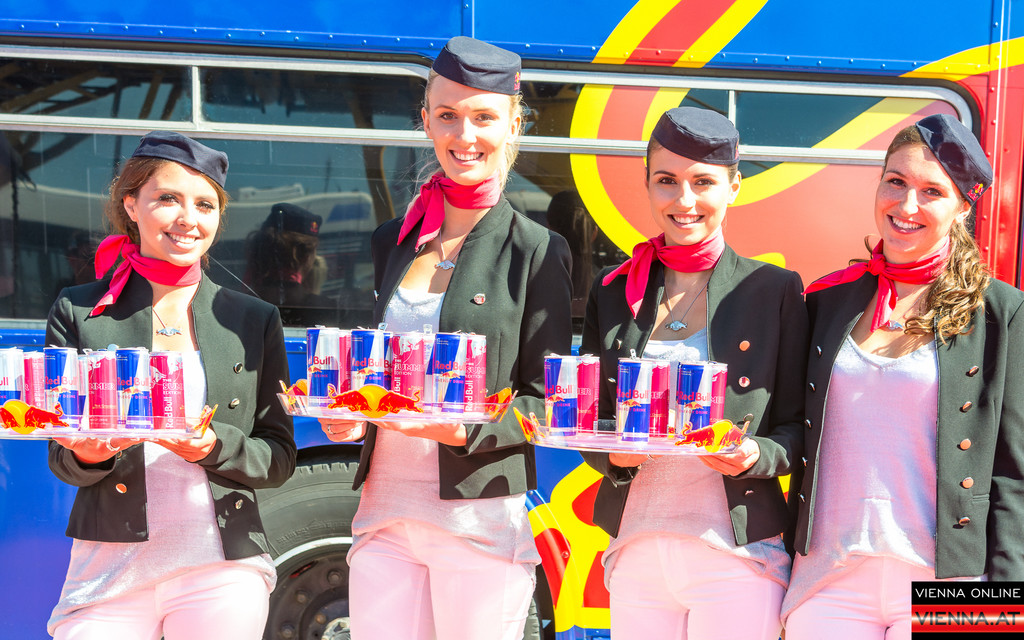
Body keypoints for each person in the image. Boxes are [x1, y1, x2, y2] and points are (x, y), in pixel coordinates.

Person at [320, 37, 572, 640]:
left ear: (513, 124)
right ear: (426, 121)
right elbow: (379, 372)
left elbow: (549, 399)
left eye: (484, 117)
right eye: (448, 115)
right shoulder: (393, 239)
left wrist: (462, 430)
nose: (466, 135)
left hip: (478, 519)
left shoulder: (536, 250)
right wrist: (346, 416)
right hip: (384, 514)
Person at [45, 131, 297, 640]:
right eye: (167, 198)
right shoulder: (79, 310)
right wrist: (90, 454)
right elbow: (60, 455)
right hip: (109, 568)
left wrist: (212, 446)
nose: (188, 218)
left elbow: (278, 457)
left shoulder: (253, 318)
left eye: (205, 205)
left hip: (223, 565)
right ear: (131, 204)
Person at [783, 114, 1024, 637]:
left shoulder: (1000, 313)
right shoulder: (827, 300)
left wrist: (1008, 608)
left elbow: (1013, 473)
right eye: (895, 182)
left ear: (963, 207)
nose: (907, 205)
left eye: (932, 191)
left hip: (951, 584)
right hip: (828, 577)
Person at [580, 107, 808, 639]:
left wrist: (754, 455)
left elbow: (800, 428)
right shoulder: (613, 290)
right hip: (635, 548)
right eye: (667, 181)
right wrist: (613, 454)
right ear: (647, 186)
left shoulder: (773, 290)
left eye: (703, 182)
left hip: (737, 555)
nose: (684, 201)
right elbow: (589, 420)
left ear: (734, 186)